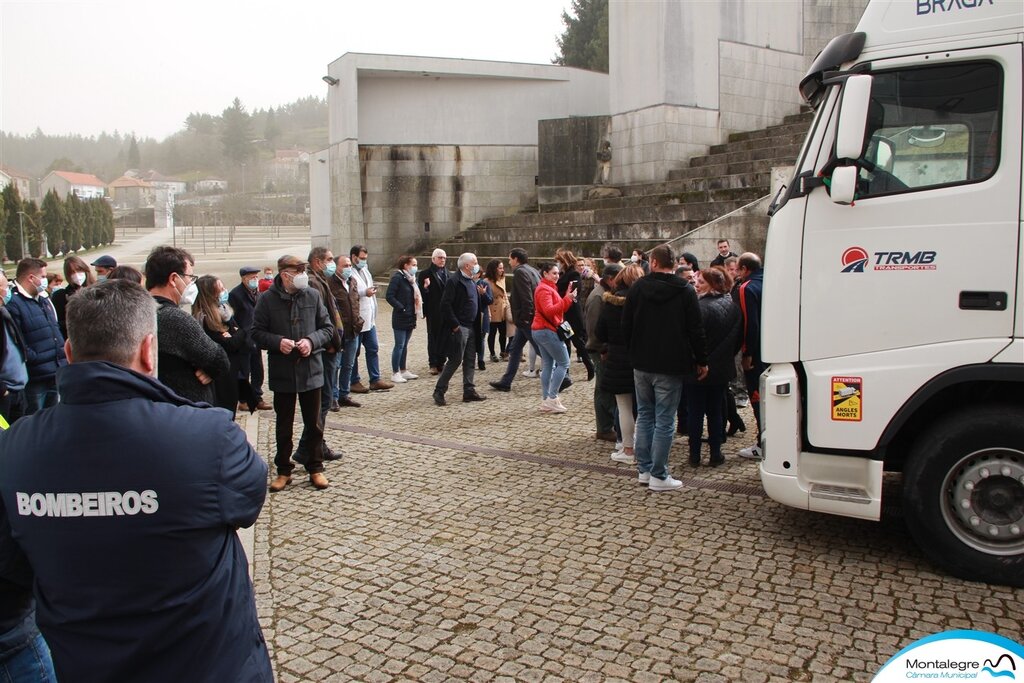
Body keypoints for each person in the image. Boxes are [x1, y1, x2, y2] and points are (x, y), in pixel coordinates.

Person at [0, 279, 272, 682]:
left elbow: (13, 569)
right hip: (209, 665)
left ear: (69, 352)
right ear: (149, 350)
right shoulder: (207, 437)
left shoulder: (12, 450)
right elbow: (248, 499)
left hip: (84, 666)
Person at [622, 244, 708, 492]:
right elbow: (696, 329)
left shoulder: (639, 287)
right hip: (670, 365)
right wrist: (701, 360)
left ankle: (646, 470)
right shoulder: (685, 291)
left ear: (655, 263)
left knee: (647, 416)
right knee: (664, 419)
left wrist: (633, 352)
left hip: (642, 363)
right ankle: (658, 474)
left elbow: (625, 324)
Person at [253, 255, 335, 491]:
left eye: (303, 270)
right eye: (297, 271)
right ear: (284, 274)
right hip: (283, 371)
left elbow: (327, 328)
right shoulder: (267, 300)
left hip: (312, 369)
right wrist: (278, 342)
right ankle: (283, 470)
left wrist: (311, 341)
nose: (302, 275)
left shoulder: (312, 294)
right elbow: (256, 332)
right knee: (284, 424)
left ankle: (315, 467)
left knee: (314, 423)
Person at [144, 246, 229, 404]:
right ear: (173, 279)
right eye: (190, 277)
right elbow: (220, 361)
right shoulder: (174, 319)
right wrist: (208, 368)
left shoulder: (137, 312)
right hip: (183, 409)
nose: (191, 283)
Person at [684, 268, 742, 467]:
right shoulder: (733, 307)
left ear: (713, 284)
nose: (697, 285)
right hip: (722, 368)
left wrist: (698, 362)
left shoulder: (699, 308)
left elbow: (692, 340)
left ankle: (695, 454)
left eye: (701, 282)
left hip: (698, 369)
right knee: (715, 411)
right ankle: (716, 453)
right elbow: (737, 340)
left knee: (696, 412)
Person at [298, 247, 344, 463]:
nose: (331, 263)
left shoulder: (319, 281)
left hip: (328, 347)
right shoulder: (313, 283)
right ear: (316, 262)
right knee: (323, 402)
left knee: (323, 401)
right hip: (324, 350)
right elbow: (323, 318)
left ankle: (310, 446)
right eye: (328, 260)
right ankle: (311, 447)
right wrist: (332, 342)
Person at [6, 258, 66, 414]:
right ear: (31, 278)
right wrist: (34, 358)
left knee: (52, 420)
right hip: (36, 377)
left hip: (55, 371)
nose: (45, 280)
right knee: (34, 420)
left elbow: (54, 330)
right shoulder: (14, 303)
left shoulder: (43, 299)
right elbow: (17, 341)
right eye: (44, 276)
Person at [597, 264, 644, 463]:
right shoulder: (646, 303)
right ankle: (644, 448)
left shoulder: (611, 304)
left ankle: (628, 449)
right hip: (643, 358)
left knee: (624, 406)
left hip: (618, 359)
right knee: (645, 408)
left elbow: (600, 332)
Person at [433, 253, 486, 406]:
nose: (477, 264)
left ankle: (469, 390)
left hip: (471, 326)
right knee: (455, 360)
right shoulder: (454, 281)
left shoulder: (471, 280)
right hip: (460, 327)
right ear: (467, 266)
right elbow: (445, 305)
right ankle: (439, 390)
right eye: (475, 262)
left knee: (470, 359)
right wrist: (455, 325)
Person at [192, 275, 249, 415]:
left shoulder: (225, 312)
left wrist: (238, 333)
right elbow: (231, 343)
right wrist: (238, 334)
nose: (224, 291)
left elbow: (240, 334)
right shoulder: (206, 319)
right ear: (211, 294)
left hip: (233, 371)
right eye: (220, 289)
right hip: (221, 377)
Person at [489, 248, 541, 392]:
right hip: (527, 318)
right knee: (515, 349)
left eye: (510, 259)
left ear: (516, 259)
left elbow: (526, 297)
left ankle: (563, 376)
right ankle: (506, 382)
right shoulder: (533, 270)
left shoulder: (520, 272)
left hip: (526, 319)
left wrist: (524, 318)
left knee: (540, 350)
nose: (509, 262)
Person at [531, 262, 577, 413]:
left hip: (543, 330)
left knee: (548, 365)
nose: (557, 276)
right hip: (546, 330)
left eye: (558, 273)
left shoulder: (548, 288)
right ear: (545, 274)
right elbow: (550, 311)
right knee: (564, 363)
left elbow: (556, 310)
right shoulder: (544, 289)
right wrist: (567, 299)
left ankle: (547, 400)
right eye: (554, 273)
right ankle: (552, 398)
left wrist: (567, 297)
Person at [348, 245, 393, 392]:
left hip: (369, 319)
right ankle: (353, 381)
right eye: (361, 258)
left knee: (373, 348)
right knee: (354, 352)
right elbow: (350, 292)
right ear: (354, 257)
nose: (363, 261)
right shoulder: (350, 272)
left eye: (365, 259)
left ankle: (375, 379)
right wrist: (364, 292)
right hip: (357, 319)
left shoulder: (365, 270)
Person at [586, 262, 622, 442]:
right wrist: (603, 349)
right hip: (599, 349)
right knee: (603, 389)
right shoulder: (598, 298)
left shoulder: (605, 294)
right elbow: (594, 330)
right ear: (610, 279)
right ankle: (605, 427)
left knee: (604, 388)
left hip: (603, 349)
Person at [228, 266, 271, 411]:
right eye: (252, 277)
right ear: (244, 278)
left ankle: (257, 397)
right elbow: (231, 317)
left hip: (256, 338)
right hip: (243, 339)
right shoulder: (235, 294)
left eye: (256, 277)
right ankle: (244, 400)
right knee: (244, 371)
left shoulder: (257, 293)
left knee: (258, 369)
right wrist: (239, 334)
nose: (255, 280)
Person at [736, 252, 765, 460]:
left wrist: (747, 354)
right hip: (774, 348)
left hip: (758, 354)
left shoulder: (747, 288)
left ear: (745, 269)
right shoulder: (771, 281)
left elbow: (749, 324)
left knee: (758, 398)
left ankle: (763, 443)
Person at [554, 249, 595, 385]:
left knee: (577, 341)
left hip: (572, 313)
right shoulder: (563, 273)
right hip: (563, 312)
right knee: (565, 342)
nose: (557, 263)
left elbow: (574, 293)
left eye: (559, 261)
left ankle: (589, 366)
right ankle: (566, 374)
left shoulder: (573, 274)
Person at [327, 255, 363, 408]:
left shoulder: (352, 281)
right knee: (335, 366)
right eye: (345, 265)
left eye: (349, 265)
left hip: (353, 330)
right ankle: (333, 397)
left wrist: (359, 321)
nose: (348, 268)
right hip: (338, 333)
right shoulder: (329, 284)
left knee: (349, 365)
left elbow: (355, 302)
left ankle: (344, 394)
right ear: (337, 267)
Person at [386, 255, 421, 384]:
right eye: (413, 264)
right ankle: (395, 372)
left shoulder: (411, 279)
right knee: (399, 345)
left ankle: (403, 369)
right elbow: (390, 296)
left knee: (405, 345)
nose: (415, 267)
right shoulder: (398, 278)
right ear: (406, 265)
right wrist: (402, 308)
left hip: (411, 316)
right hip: (401, 317)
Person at [0, 272, 28, 425]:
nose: (9, 291)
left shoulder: (4, 313)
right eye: (7, 287)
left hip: (18, 389)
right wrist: (2, 390)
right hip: (5, 394)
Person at [417, 248, 449, 375]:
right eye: (440, 257)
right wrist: (425, 288)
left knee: (445, 337)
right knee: (433, 337)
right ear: (433, 259)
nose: (442, 260)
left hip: (446, 311)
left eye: (444, 258)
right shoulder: (425, 274)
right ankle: (433, 363)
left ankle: (442, 361)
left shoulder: (448, 273)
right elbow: (420, 293)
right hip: (433, 310)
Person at [51, 255, 94, 340]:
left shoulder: (98, 291)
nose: (77, 275)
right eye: (72, 273)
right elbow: (58, 324)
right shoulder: (60, 296)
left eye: (78, 270)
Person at [484, 259, 510, 363]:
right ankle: (492, 353)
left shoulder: (502, 278)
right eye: (500, 268)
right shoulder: (486, 281)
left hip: (502, 309)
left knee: (503, 333)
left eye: (502, 268)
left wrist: (508, 306)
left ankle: (503, 351)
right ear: (494, 269)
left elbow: (504, 294)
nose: (502, 270)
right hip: (492, 309)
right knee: (492, 333)